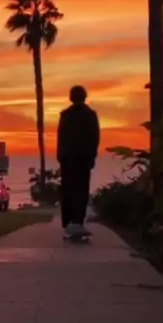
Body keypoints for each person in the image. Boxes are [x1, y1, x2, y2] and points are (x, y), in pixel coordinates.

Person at [57, 85, 100, 237]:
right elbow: (94, 137)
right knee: (81, 190)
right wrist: (92, 156)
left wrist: (60, 156)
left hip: (68, 158)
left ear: (71, 97)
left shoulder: (66, 115)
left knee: (68, 190)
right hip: (82, 158)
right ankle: (77, 222)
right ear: (85, 96)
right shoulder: (90, 115)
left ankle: (69, 222)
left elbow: (61, 137)